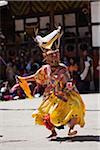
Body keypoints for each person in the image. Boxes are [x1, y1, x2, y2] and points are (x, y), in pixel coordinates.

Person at [16, 27, 85, 138]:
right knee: (44, 113)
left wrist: (67, 88)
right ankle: (53, 132)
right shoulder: (45, 69)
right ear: (46, 58)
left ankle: (71, 129)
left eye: (56, 56)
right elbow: (36, 77)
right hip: (52, 95)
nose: (54, 59)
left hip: (66, 94)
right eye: (51, 56)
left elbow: (68, 81)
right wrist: (24, 79)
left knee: (75, 108)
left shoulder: (63, 68)